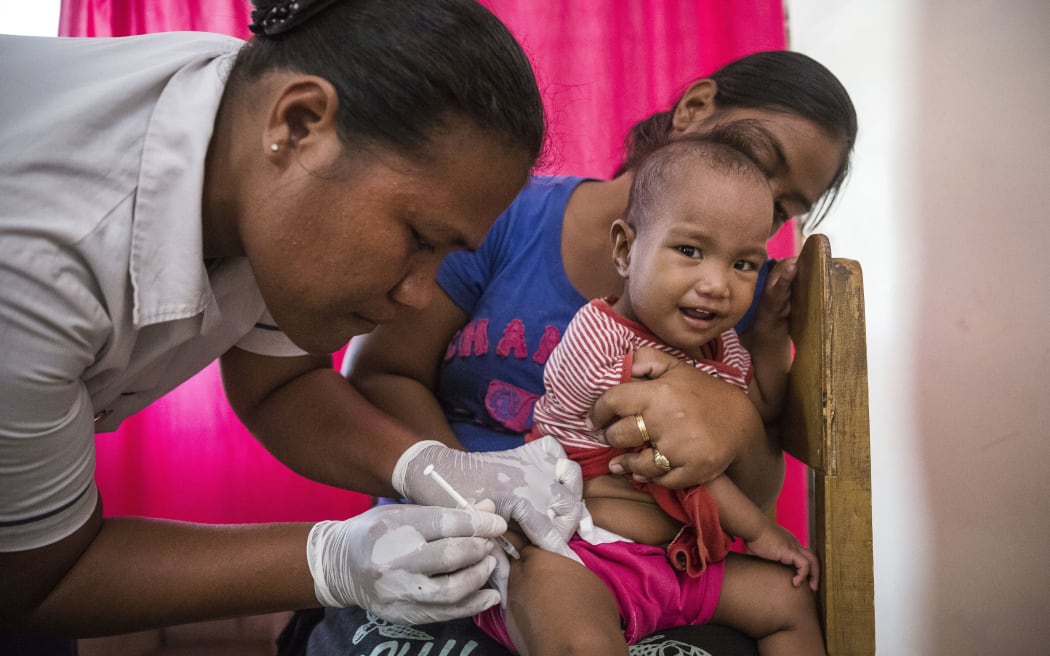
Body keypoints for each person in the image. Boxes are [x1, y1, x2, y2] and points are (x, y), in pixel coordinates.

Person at [0, 0, 587, 645]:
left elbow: (280, 385)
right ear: (299, 122)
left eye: (448, 256)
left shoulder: (260, 139)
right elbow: (39, 583)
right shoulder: (35, 268)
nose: (421, 294)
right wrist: (333, 561)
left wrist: (430, 465)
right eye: (418, 237)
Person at [310, 50, 857, 655]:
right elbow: (384, 373)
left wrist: (737, 418)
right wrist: (473, 497)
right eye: (756, 159)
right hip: (471, 534)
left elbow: (750, 492)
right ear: (695, 106)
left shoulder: (732, 302)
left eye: (779, 210)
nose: (755, 199)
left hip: (662, 559)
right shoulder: (506, 215)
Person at [474, 135, 824, 655]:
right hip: (589, 553)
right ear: (625, 249)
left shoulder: (717, 344)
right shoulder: (600, 338)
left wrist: (770, 332)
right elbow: (676, 463)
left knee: (788, 601)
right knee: (555, 604)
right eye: (690, 251)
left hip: (682, 565)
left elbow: (760, 407)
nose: (717, 284)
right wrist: (759, 531)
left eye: (744, 264)